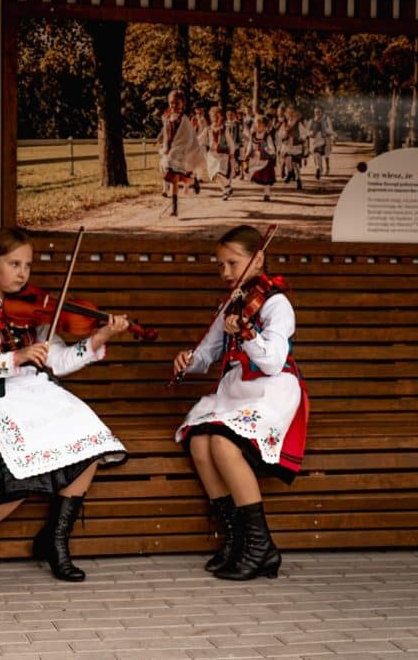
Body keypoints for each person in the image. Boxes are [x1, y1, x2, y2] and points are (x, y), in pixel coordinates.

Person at [0, 227, 129, 585]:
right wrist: (14, 358)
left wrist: (98, 338)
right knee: (21, 477)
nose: (22, 273)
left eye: (28, 266)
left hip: (34, 395)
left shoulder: (35, 310)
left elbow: (59, 362)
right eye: (14, 263)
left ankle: (56, 539)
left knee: (92, 439)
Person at [171, 225, 309, 581]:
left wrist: (247, 333)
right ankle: (237, 540)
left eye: (234, 263)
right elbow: (209, 352)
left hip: (271, 391)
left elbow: (273, 362)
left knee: (222, 443)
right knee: (200, 443)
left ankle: (261, 545)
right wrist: (190, 359)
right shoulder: (232, 303)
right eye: (221, 265)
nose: (227, 272)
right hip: (236, 392)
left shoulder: (277, 304)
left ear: (258, 258)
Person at [160, 90, 205, 217]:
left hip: (180, 151)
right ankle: (192, 182)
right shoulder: (168, 117)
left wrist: (180, 148)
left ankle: (174, 208)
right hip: (170, 150)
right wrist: (166, 146)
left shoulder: (184, 119)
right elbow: (166, 134)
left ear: (182, 103)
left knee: (175, 178)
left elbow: (187, 137)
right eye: (171, 103)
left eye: (177, 103)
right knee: (172, 176)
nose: (174, 105)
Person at [203, 106, 236, 200]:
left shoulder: (224, 129)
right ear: (211, 117)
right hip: (212, 156)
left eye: (218, 117)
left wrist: (232, 153)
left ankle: (226, 190)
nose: (216, 119)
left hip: (222, 155)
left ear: (221, 117)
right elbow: (200, 139)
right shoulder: (208, 129)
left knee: (219, 172)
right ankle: (226, 188)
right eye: (214, 117)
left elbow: (230, 142)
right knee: (214, 175)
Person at [242, 115, 277, 202]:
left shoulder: (267, 136)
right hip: (255, 158)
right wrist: (247, 153)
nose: (258, 126)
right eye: (257, 124)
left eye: (260, 125)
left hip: (264, 158)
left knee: (267, 178)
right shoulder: (253, 135)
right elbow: (250, 145)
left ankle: (267, 194)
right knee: (252, 172)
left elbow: (271, 147)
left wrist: (268, 149)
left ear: (264, 126)